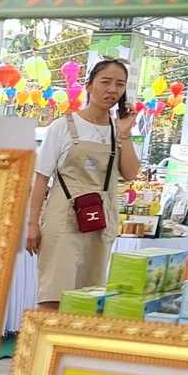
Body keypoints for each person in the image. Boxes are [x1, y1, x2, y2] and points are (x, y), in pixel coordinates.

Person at [26, 57, 138, 308]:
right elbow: (42, 176)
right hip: (63, 215)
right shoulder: (62, 126)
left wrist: (125, 133)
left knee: (90, 296)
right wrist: (33, 223)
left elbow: (130, 173)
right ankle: (43, 345)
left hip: (100, 218)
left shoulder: (117, 129)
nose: (112, 90)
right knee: (54, 291)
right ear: (88, 86)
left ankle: (71, 348)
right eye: (105, 82)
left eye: (120, 84)